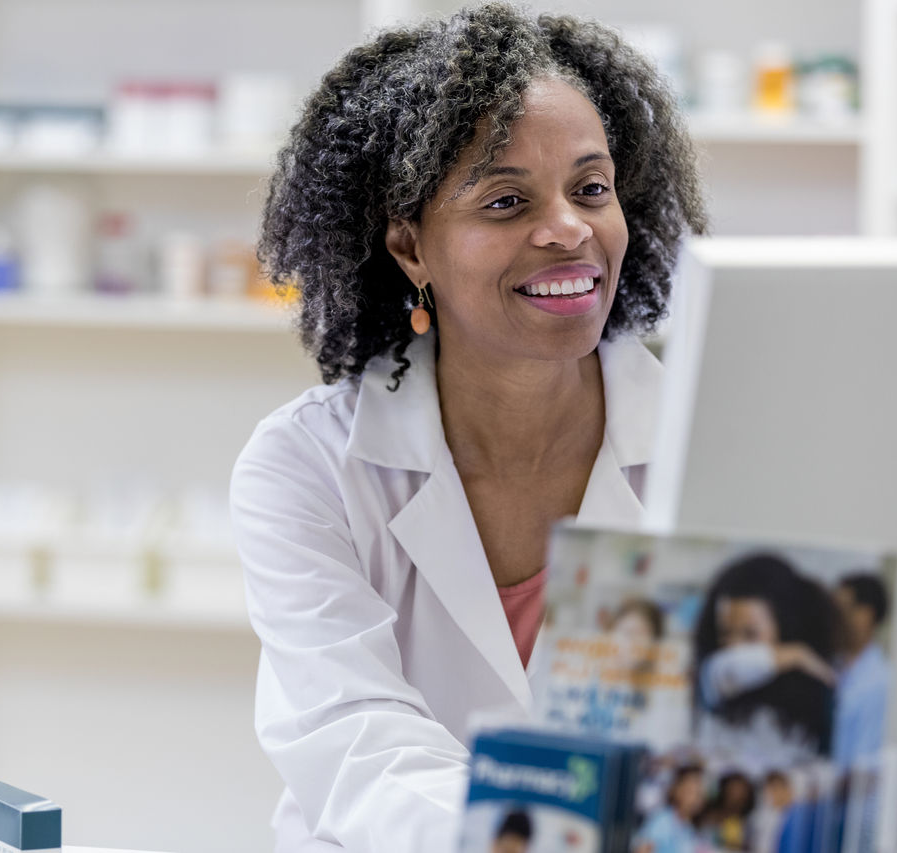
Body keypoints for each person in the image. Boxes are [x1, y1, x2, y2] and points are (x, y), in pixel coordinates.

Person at [229, 4, 706, 850]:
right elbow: (356, 742)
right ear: (410, 246)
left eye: (592, 189)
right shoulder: (305, 466)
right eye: (507, 200)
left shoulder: (705, 444)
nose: (568, 229)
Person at [692, 554, 840, 777]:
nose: (735, 647)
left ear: (786, 626)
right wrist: (798, 654)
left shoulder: (813, 696)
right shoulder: (715, 676)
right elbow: (729, 667)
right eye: (725, 634)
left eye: (750, 634)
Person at [831, 573, 891, 768]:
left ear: (867, 615)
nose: (835, 618)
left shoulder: (881, 681)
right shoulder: (831, 666)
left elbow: (864, 766)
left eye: (842, 610)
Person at [635, 764, 706, 853]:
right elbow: (642, 850)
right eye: (691, 791)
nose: (696, 798)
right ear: (676, 791)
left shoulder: (689, 828)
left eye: (700, 792)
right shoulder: (663, 820)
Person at [696, 771, 755, 851]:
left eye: (740, 793)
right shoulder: (706, 816)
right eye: (732, 790)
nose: (735, 796)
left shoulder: (746, 825)